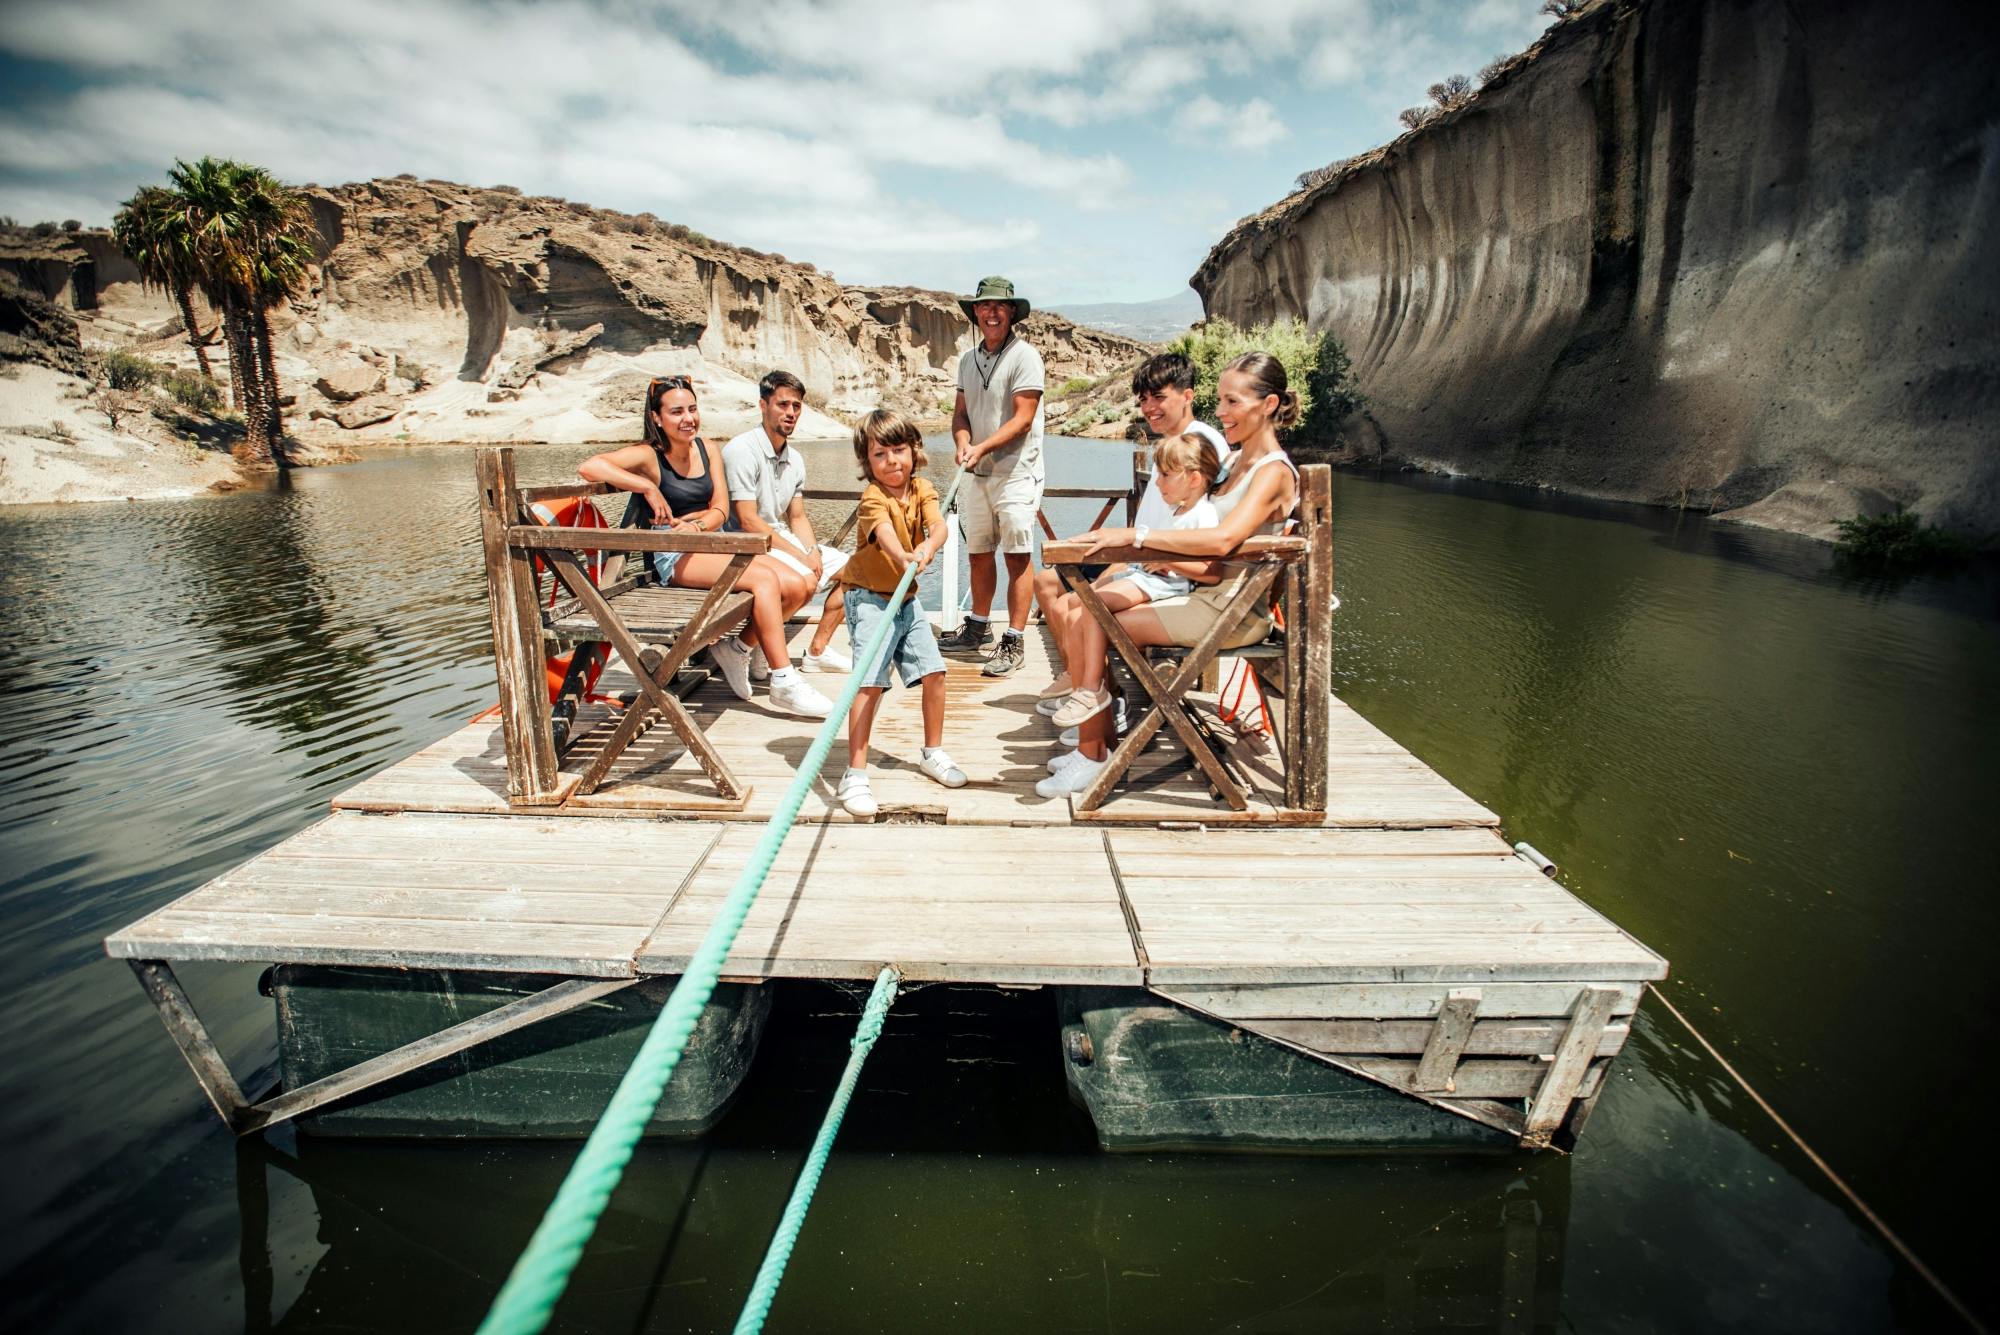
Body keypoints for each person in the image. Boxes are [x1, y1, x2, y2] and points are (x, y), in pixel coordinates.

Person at [1036, 352, 1301, 800]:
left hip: (1229, 608)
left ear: (1269, 404)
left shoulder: (1272, 471)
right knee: (1088, 614)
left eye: (1232, 402)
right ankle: (1095, 743)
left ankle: (1094, 748)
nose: (1220, 413)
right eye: (1220, 401)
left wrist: (1138, 538)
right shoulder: (1235, 463)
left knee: (1091, 618)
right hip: (1206, 595)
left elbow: (1222, 541)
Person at [576, 374, 833, 720]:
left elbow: (721, 509)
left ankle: (739, 649)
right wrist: (646, 487)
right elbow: (589, 466)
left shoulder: (707, 447)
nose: (688, 419)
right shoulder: (650, 457)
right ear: (657, 418)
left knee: (797, 580)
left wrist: (697, 523)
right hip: (675, 554)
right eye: (676, 412)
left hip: (709, 543)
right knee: (765, 581)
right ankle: (783, 680)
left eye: (693, 409)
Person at [1031, 350, 1228, 701]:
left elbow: (1199, 531)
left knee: (1073, 605)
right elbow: (1148, 527)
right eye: (1143, 399)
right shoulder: (1169, 449)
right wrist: (1114, 558)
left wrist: (1137, 556)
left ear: (1187, 396)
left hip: (1164, 570)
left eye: (1159, 397)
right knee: (1048, 581)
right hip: (1140, 558)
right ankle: (1084, 679)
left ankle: (1094, 692)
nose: (1149, 407)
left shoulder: (1198, 446)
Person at [1042, 430, 1223, 740]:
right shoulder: (1176, 510)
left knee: (1092, 605)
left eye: (1166, 475)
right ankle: (1082, 684)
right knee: (1076, 603)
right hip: (1146, 578)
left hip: (1166, 587)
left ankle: (1091, 690)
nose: (1157, 483)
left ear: (1194, 479)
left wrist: (1166, 560)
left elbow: (1209, 571)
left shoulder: (1203, 515)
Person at [833, 409, 968, 817]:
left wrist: (930, 546)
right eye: (880, 455)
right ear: (867, 462)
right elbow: (885, 534)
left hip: (905, 599)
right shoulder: (872, 497)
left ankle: (932, 752)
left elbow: (938, 525)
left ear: (914, 450)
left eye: (898, 450)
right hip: (869, 597)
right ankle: (854, 774)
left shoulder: (923, 487)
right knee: (869, 683)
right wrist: (905, 553)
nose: (892, 461)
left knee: (935, 672)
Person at [939, 276, 1044, 678]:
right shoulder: (967, 360)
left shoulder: (1025, 357)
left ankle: (1014, 640)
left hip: (1017, 472)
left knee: (1017, 556)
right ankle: (978, 628)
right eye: (985, 307)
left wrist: (982, 447)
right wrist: (964, 442)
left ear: (1012, 312)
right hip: (978, 473)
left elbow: (1023, 418)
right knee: (978, 553)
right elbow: (961, 414)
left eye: (1000, 306)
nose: (992, 313)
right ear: (976, 314)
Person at [722, 369, 852, 679]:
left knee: (857, 570)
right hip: (743, 543)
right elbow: (748, 520)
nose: (790, 413)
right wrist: (801, 557)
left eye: (796, 406)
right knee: (804, 580)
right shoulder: (742, 450)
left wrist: (813, 551)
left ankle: (817, 651)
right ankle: (742, 647)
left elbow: (797, 516)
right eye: (782, 405)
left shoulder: (794, 458)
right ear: (763, 405)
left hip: (776, 539)